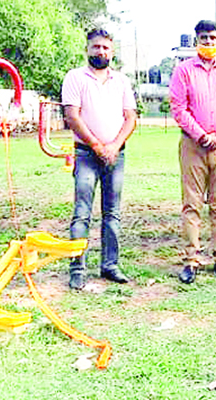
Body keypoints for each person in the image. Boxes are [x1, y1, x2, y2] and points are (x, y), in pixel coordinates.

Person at [170, 20, 216, 283]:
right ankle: (191, 260)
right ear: (195, 42)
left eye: (213, 38)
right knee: (192, 204)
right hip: (193, 145)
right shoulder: (183, 71)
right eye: (204, 38)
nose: (209, 43)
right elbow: (179, 108)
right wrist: (201, 135)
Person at [62, 28, 137, 290]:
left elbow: (130, 117)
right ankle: (77, 269)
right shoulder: (75, 77)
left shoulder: (121, 81)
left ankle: (110, 265)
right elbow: (73, 116)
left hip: (116, 155)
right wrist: (96, 145)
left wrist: (113, 146)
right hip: (86, 154)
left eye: (105, 48)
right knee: (82, 213)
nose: (100, 52)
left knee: (112, 213)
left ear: (112, 51)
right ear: (88, 49)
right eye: (96, 47)